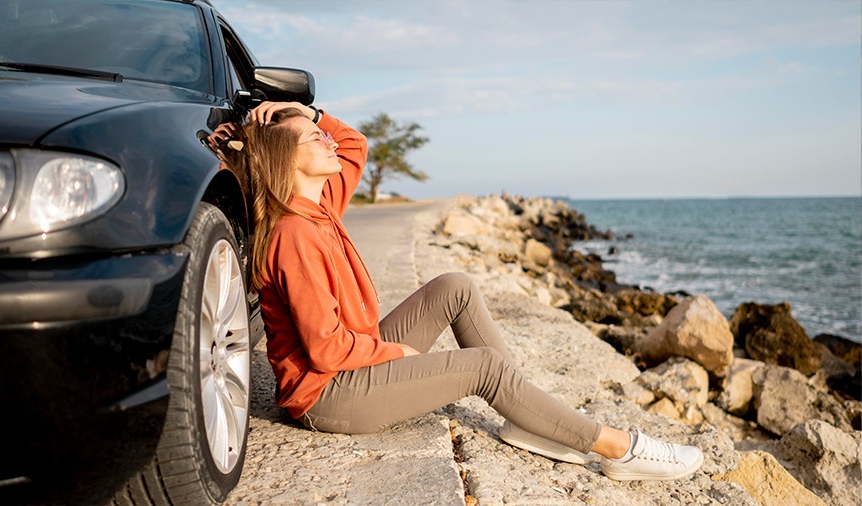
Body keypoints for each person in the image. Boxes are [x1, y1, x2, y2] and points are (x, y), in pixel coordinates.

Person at [222, 101, 704, 482]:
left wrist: (308, 114)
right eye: (313, 139)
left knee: (455, 286)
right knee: (483, 367)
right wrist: (395, 352)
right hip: (329, 394)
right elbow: (326, 350)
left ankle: (524, 419)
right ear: (288, 159)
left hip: (353, 358)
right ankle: (616, 448)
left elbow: (355, 143)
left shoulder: (320, 204)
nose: (328, 141)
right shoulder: (294, 235)